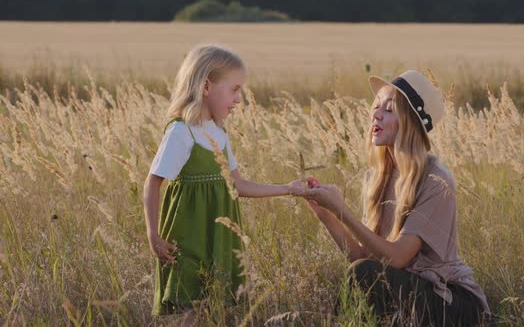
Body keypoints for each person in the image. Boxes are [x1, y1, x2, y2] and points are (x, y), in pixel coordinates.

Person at [296, 70, 491, 325]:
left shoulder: (436, 181)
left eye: (388, 109)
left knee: (361, 274)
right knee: (362, 273)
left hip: (453, 305)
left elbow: (398, 257)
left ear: (410, 122)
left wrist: (342, 210)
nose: (375, 114)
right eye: (376, 106)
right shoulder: (376, 179)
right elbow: (365, 260)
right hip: (409, 291)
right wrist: (327, 215)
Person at [143, 44, 302, 315]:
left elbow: (238, 185)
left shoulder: (219, 134)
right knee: (188, 307)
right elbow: (153, 182)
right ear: (206, 86)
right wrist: (153, 234)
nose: (239, 99)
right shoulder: (181, 133)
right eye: (235, 89)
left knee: (212, 306)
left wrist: (287, 189)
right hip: (188, 235)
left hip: (219, 237)